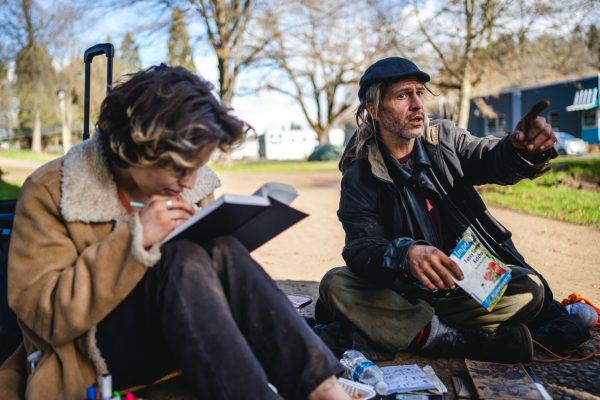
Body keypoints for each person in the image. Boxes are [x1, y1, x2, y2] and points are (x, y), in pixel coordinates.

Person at [0, 65, 351, 400]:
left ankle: (322, 388)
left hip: (184, 332)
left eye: (197, 166)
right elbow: (43, 319)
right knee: (181, 257)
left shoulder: (188, 181)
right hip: (91, 356)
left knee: (223, 248)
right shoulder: (53, 190)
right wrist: (134, 241)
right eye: (178, 169)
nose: (189, 181)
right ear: (132, 149)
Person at [315, 57, 558, 364]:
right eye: (403, 95)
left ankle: (419, 331)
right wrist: (405, 255)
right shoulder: (359, 173)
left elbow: (489, 158)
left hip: (462, 282)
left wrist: (519, 150)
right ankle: (459, 338)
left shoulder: (444, 141)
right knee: (336, 285)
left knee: (529, 290)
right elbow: (361, 247)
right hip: (400, 291)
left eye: (419, 92)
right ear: (373, 110)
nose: (418, 105)